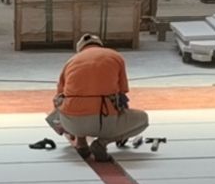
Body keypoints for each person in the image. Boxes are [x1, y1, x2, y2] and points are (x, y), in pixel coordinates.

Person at [45, 34, 150, 162]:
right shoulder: (115, 56)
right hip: (104, 121)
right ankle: (102, 143)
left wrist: (66, 126)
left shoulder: (71, 61)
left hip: (72, 123)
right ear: (100, 45)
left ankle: (81, 143)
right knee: (143, 119)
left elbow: (58, 97)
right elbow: (122, 91)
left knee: (66, 105)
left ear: (80, 49)